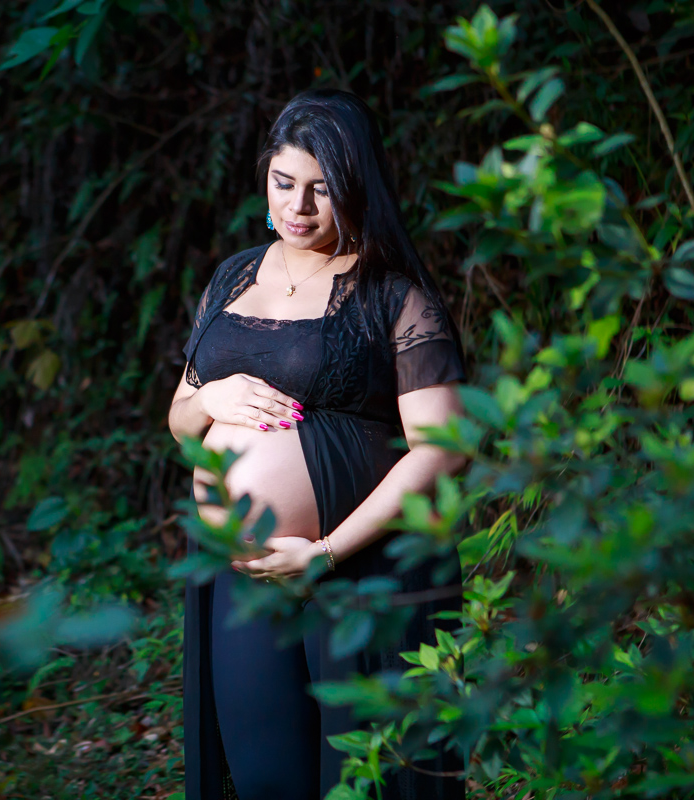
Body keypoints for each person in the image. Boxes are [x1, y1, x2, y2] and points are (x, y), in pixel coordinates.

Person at [167, 89, 470, 800]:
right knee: (267, 779)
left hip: (351, 572)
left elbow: (442, 449)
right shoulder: (233, 276)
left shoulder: (391, 295)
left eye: (321, 190)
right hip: (242, 578)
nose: (297, 207)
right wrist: (209, 398)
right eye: (283, 183)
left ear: (356, 187)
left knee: (360, 783)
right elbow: (180, 418)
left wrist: (327, 550)